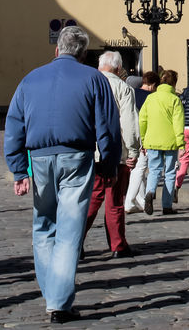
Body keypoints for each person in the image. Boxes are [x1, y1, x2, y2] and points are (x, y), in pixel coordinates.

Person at [4, 26, 121, 323]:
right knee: (69, 229)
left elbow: (14, 125)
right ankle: (58, 301)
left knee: (43, 225)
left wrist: (18, 168)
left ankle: (51, 292)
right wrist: (108, 166)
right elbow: (107, 127)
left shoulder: (29, 79)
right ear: (83, 54)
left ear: (56, 50)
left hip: (39, 158)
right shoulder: (95, 79)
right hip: (77, 156)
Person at [82, 51, 139, 258]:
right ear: (118, 68)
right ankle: (117, 245)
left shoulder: (88, 84)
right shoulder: (123, 88)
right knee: (114, 200)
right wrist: (132, 150)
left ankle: (75, 241)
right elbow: (129, 124)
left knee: (91, 198)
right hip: (116, 152)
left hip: (91, 150)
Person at [137, 69, 183, 216]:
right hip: (170, 141)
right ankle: (167, 205)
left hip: (152, 140)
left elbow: (142, 119)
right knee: (169, 173)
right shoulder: (175, 99)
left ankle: (150, 192)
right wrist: (181, 143)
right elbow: (178, 123)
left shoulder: (151, 98)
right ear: (174, 83)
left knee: (154, 170)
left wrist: (143, 139)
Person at [124, 71, 158, 214]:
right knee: (140, 168)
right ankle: (129, 202)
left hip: (129, 134)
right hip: (143, 136)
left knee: (138, 169)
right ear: (153, 85)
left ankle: (141, 200)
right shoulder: (151, 98)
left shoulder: (132, 93)